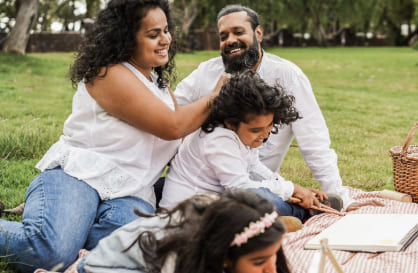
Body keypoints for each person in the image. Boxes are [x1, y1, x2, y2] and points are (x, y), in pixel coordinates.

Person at [0, 1, 227, 272]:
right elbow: (173, 126)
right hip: (79, 177)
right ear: (126, 38)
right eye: (153, 34)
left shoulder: (159, 86)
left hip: (132, 193)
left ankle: (60, 224)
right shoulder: (107, 73)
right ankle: (52, 225)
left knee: (124, 255)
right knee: (49, 253)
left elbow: (178, 140)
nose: (166, 39)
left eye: (166, 30)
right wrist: (216, 96)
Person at [172, 4, 382, 211]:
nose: (231, 41)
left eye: (238, 32)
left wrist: (339, 195)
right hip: (205, 183)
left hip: (260, 185)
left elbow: (314, 141)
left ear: (258, 33)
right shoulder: (206, 73)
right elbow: (171, 115)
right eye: (223, 36)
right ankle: (299, 213)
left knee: (269, 200)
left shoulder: (288, 76)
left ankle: (305, 207)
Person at [160, 70, 335, 222]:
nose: (265, 134)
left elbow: (254, 166)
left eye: (270, 126)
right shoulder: (218, 140)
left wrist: (292, 189)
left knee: (264, 194)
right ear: (230, 122)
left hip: (213, 204)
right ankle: (303, 213)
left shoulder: (242, 134)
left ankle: (284, 215)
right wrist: (290, 190)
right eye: (256, 129)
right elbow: (240, 188)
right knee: (258, 199)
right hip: (187, 217)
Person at [35, 189, 291, 273]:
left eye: (272, 256)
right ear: (223, 254)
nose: (271, 268)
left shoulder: (220, 223)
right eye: (259, 262)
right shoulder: (179, 256)